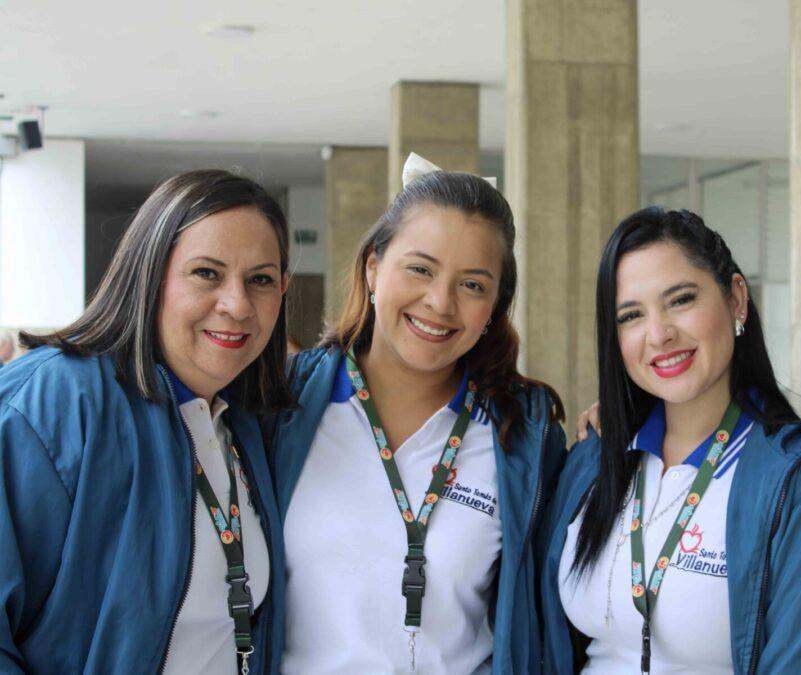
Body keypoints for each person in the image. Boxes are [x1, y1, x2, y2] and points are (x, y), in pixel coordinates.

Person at [266, 154, 566, 674]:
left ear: (494, 306)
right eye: (420, 269)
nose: (440, 302)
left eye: (472, 284)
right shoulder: (281, 403)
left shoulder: (522, 433)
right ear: (374, 268)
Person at [539, 207, 801, 674]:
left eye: (681, 300)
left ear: (736, 299)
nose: (659, 334)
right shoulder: (593, 459)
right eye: (631, 315)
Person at [0, 170, 291, 674]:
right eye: (207, 273)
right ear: (150, 274)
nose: (237, 304)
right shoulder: (53, 401)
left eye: (260, 280)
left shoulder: (242, 424)